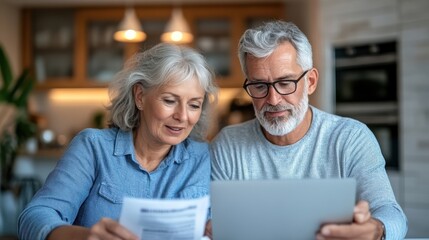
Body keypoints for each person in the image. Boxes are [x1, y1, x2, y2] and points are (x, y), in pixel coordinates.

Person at [209, 21, 407, 240]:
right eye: (259, 86)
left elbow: (391, 213)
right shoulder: (227, 145)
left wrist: (376, 229)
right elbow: (210, 223)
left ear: (310, 82)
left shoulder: (351, 138)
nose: (273, 99)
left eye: (285, 83)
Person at [18, 43, 218, 240]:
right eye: (169, 101)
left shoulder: (203, 157)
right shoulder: (93, 147)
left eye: (194, 105)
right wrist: (86, 237)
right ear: (140, 96)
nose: (183, 116)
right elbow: (34, 217)